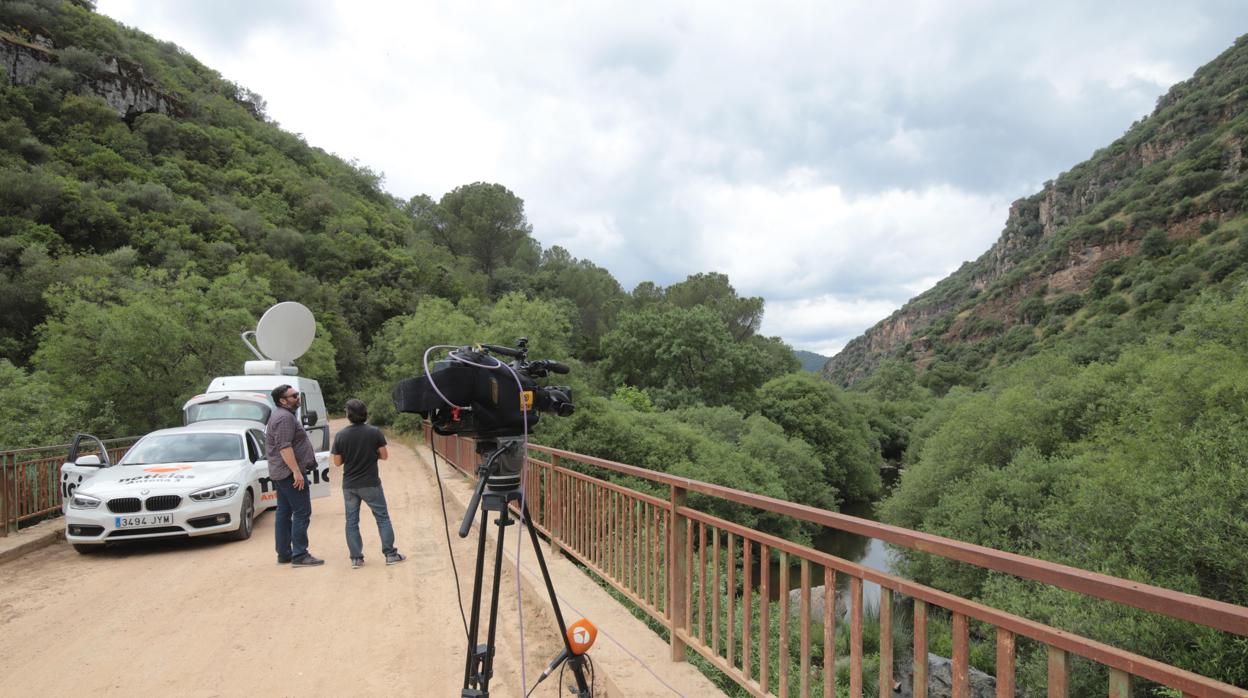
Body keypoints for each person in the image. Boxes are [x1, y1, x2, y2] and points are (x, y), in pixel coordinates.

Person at [332, 399, 405, 568]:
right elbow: (384, 455)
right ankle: (390, 555)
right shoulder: (374, 432)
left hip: (350, 485)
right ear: (365, 413)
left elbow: (337, 462)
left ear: (348, 415)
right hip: (371, 483)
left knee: (351, 521)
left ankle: (356, 558)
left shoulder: (341, 435)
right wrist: (372, 455)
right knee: (382, 518)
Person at [266, 384, 324, 567]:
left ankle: (284, 553)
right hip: (288, 473)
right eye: (293, 396)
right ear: (282, 401)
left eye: (297, 394)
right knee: (302, 511)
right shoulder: (284, 418)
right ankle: (300, 554)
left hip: (281, 472)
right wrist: (296, 472)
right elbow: (284, 447)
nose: (297, 398)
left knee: (284, 512)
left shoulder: (281, 415)